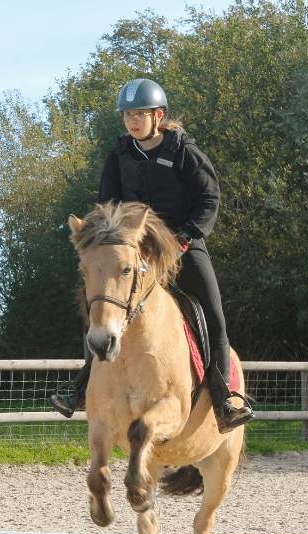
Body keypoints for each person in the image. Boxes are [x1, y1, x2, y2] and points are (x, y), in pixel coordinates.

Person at [50, 78, 253, 434]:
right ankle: (82, 388)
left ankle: (226, 399)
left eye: (139, 114)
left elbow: (209, 200)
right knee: (100, 303)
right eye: (127, 115)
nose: (132, 121)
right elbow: (108, 205)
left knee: (215, 317)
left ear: (158, 115)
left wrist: (185, 237)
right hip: (135, 248)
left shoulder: (183, 151)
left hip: (181, 245)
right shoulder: (120, 154)